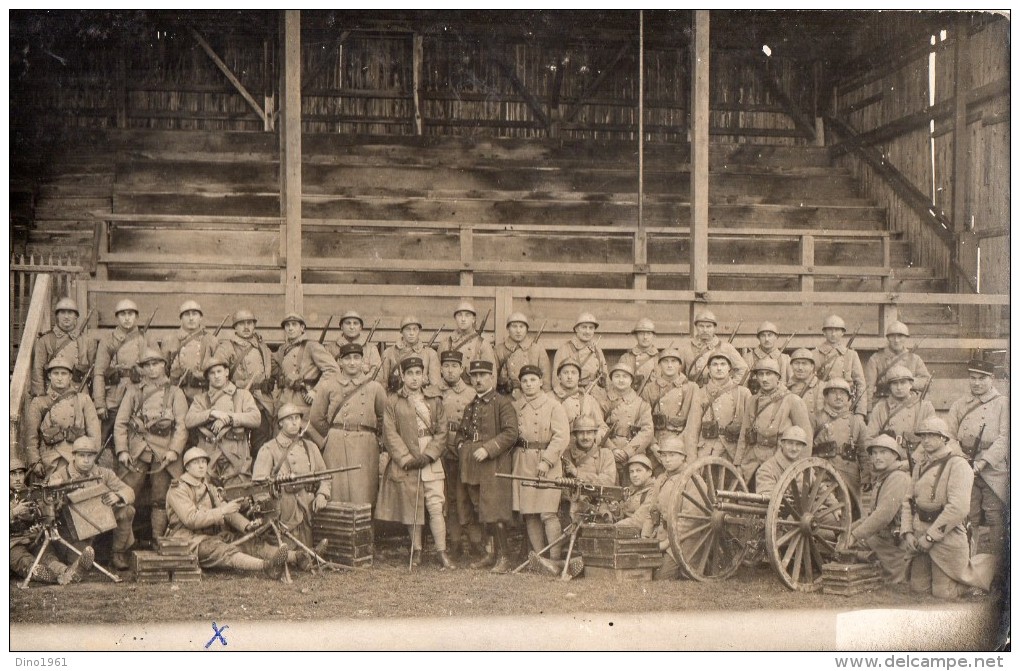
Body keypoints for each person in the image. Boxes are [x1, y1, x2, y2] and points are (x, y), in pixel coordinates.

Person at [901, 417, 996, 599]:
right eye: (923, 436)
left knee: (943, 592)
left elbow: (958, 508)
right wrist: (908, 533)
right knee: (918, 589)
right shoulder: (920, 465)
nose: (926, 440)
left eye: (932, 436)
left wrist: (931, 537)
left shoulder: (958, 465)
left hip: (947, 537)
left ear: (944, 438)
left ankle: (989, 569)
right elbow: (907, 501)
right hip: (919, 534)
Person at [376, 356, 453, 569]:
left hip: (430, 458)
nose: (414, 378)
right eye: (409, 373)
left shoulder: (434, 399)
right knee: (412, 507)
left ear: (424, 375)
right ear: (402, 375)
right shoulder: (393, 401)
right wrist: (406, 459)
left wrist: (428, 455)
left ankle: (441, 552)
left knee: (435, 505)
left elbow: (442, 431)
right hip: (407, 461)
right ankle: (417, 550)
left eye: (418, 373)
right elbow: (389, 433)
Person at [166, 447, 289, 579]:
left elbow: (228, 511)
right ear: (187, 467)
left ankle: (296, 557)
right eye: (196, 463)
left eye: (203, 462)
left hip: (209, 536)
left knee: (249, 543)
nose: (201, 466)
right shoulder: (178, 489)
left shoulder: (209, 487)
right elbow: (191, 519)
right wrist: (223, 510)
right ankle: (267, 567)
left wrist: (247, 525)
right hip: (186, 540)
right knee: (221, 550)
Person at [114, 347, 187, 540]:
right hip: (137, 450)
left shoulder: (175, 393)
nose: (152, 369)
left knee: (161, 499)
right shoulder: (133, 392)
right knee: (124, 496)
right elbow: (121, 422)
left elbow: (181, 426)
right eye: (147, 365)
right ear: (142, 369)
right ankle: (120, 549)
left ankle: (159, 541)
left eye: (156, 364)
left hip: (163, 453)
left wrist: (174, 451)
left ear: (164, 365)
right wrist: (122, 450)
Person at [456, 360, 519, 573]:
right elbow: (461, 433)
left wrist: (489, 448)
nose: (478, 379)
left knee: (496, 511)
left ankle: (504, 557)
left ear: (491, 377)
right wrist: (462, 446)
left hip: (495, 465)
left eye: (483, 375)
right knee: (481, 511)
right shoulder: (471, 405)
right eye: (474, 376)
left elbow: (511, 433)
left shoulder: (502, 403)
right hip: (473, 466)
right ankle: (490, 554)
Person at [309, 343, 387, 507]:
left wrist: (374, 438)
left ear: (363, 361)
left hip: (365, 446)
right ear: (340, 362)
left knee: (364, 495)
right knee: (337, 492)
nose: (352, 362)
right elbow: (316, 417)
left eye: (356, 358)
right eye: (348, 358)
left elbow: (384, 418)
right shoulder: (328, 385)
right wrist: (334, 433)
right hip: (337, 445)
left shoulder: (374, 387)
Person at [945, 359, 1008, 555]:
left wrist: (983, 462)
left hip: (993, 470)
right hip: (965, 466)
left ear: (993, 379)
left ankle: (998, 569)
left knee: (995, 517)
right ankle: (968, 563)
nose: (977, 383)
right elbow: (949, 436)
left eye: (982, 378)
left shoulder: (1004, 404)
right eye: (973, 378)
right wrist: (961, 457)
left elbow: (1006, 437)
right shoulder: (959, 405)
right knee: (967, 515)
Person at [253, 403, 332, 553]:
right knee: (284, 547)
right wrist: (271, 513)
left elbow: (325, 475)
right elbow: (259, 487)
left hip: (308, 508)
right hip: (283, 511)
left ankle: (306, 554)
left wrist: (322, 494)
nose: (295, 422)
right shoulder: (268, 449)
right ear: (280, 423)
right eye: (289, 419)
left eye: (297, 418)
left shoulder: (311, 447)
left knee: (308, 544)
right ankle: (296, 556)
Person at [48, 437, 136, 570]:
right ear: (74, 456)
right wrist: (55, 491)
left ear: (95, 456)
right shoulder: (61, 474)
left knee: (127, 510)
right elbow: (49, 498)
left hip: (99, 519)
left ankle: (118, 553)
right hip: (76, 529)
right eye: (81, 455)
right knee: (80, 564)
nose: (86, 460)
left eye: (90, 456)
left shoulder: (104, 473)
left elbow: (129, 491)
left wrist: (118, 495)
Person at [511, 365, 570, 561]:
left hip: (547, 462)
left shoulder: (553, 405)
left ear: (541, 382)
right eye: (525, 380)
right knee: (530, 513)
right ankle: (540, 557)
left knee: (547, 513)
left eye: (533, 380)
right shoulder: (516, 406)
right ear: (521, 383)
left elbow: (561, 437)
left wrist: (546, 461)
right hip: (523, 460)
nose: (529, 384)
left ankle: (554, 557)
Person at [836, 434, 910, 584]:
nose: (877, 457)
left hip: (893, 543)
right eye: (874, 453)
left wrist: (854, 536)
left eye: (883, 452)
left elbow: (882, 516)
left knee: (851, 548)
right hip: (883, 538)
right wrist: (849, 530)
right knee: (845, 542)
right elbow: (871, 515)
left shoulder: (898, 478)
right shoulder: (883, 477)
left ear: (895, 455)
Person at [10, 457, 95, 585]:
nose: (17, 478)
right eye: (12, 474)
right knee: (22, 559)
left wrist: (37, 522)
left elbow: (40, 515)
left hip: (33, 539)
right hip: (12, 544)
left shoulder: (30, 493)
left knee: (47, 556)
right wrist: (13, 512)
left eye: (20, 473)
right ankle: (40, 573)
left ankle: (69, 572)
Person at [93, 299, 158, 455]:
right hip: (116, 395)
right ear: (117, 317)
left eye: (130, 314)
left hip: (141, 393)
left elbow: (158, 367)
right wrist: (100, 404)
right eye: (123, 314)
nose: (127, 318)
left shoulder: (147, 339)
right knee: (108, 439)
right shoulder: (108, 340)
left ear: (136, 317)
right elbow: (99, 373)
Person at [184, 357, 260, 489]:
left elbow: (255, 418)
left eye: (219, 371)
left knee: (238, 501)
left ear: (226, 373)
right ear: (208, 377)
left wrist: (229, 418)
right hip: (209, 460)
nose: (216, 376)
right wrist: (211, 413)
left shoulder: (242, 396)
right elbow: (189, 420)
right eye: (212, 373)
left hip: (236, 458)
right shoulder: (201, 399)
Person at [735, 358, 812, 483]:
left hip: (780, 462)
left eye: (769, 374)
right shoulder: (752, 401)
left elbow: (806, 438)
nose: (764, 379)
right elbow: (744, 434)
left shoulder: (792, 400)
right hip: (752, 461)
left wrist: (801, 469)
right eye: (761, 374)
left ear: (778, 377)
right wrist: (738, 463)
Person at [436, 350, 481, 560]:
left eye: (455, 366)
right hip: (443, 448)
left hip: (466, 449)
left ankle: (475, 542)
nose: (450, 370)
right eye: (446, 366)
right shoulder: (435, 392)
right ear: (441, 369)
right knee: (449, 497)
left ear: (462, 369)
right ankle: (453, 542)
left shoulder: (472, 393)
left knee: (468, 495)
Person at [25, 356, 101, 478]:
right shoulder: (39, 402)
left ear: (70, 376)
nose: (60, 378)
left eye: (64, 374)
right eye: (56, 373)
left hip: (79, 457)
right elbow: (31, 436)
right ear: (49, 376)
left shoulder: (83, 399)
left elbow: (94, 434)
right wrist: (34, 461)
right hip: (51, 458)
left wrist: (91, 458)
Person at [214, 308, 274, 456]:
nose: (246, 327)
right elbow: (216, 373)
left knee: (262, 442)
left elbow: (275, 367)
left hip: (262, 403)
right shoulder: (226, 347)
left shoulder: (263, 347)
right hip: (237, 402)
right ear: (235, 327)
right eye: (242, 324)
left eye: (250, 323)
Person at [272, 313, 340, 421]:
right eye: (287, 325)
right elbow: (272, 363)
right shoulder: (282, 349)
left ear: (302, 328)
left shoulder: (312, 346)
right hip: (285, 398)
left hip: (304, 399)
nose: (290, 328)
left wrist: (316, 391)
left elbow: (333, 370)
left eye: (294, 324)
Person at [811, 378, 869, 502]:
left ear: (849, 398)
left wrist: (866, 476)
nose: (838, 397)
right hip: (822, 474)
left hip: (849, 476)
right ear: (826, 397)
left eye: (843, 393)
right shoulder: (816, 419)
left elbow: (864, 452)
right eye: (833, 393)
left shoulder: (857, 422)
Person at [642, 434, 689, 580]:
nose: (667, 460)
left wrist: (666, 544)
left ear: (683, 457)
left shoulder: (692, 479)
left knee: (660, 576)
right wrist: (645, 537)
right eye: (664, 455)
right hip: (661, 536)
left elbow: (690, 522)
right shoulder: (661, 479)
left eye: (672, 455)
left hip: (684, 541)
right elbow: (652, 511)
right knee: (642, 570)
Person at [600, 362, 654, 487]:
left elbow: (647, 431)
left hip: (633, 451)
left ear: (631, 380)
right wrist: (612, 449)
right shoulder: (603, 401)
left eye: (625, 376)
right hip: (608, 450)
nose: (621, 380)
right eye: (617, 376)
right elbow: (598, 425)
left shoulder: (641, 404)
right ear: (611, 379)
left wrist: (627, 452)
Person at [644, 348, 701, 467]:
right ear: (659, 365)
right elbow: (645, 422)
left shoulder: (691, 388)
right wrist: (653, 446)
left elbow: (693, 424)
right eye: (665, 361)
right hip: (657, 442)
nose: (670, 365)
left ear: (680, 365)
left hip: (681, 443)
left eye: (674, 361)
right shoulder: (649, 388)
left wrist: (677, 445)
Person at [693, 352, 751, 462]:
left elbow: (748, 427)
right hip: (707, 452)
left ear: (729, 368)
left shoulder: (743, 393)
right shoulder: (699, 394)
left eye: (723, 364)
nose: (719, 368)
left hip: (734, 452)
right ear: (708, 369)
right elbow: (693, 429)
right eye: (714, 364)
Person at [864, 321, 931, 413]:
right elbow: (868, 387)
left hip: (908, 405)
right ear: (888, 338)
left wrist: (907, 382)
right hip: (883, 403)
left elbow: (927, 382)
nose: (896, 340)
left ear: (906, 338)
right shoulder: (876, 359)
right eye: (892, 336)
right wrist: (869, 410)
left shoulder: (915, 359)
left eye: (900, 336)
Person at [31, 297, 92, 397]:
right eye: (63, 312)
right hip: (53, 393)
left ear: (76, 316)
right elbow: (37, 369)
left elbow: (93, 369)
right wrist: (40, 396)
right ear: (57, 316)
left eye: (70, 313)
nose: (66, 316)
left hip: (79, 390)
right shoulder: (46, 340)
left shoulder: (86, 340)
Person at [162, 300, 220, 403]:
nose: (191, 318)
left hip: (204, 393)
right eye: (187, 315)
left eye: (195, 314)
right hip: (176, 393)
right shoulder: (170, 339)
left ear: (201, 318)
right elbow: (163, 370)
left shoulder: (210, 340)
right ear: (181, 318)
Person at [866, 365, 935, 448]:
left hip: (916, 458)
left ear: (911, 384)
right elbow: (870, 439)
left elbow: (932, 439)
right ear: (890, 386)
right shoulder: (880, 408)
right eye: (895, 383)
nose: (899, 387)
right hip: (888, 457)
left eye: (903, 382)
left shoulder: (925, 407)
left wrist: (914, 459)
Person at [812, 314, 867, 417]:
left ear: (843, 333)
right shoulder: (815, 354)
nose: (833, 334)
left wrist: (860, 412)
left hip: (846, 404)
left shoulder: (851, 355)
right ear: (824, 332)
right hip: (821, 403)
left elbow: (861, 384)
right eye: (830, 330)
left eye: (837, 330)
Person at [679, 310, 747, 387]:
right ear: (696, 327)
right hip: (692, 393)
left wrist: (731, 387)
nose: (705, 330)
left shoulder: (726, 347)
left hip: (717, 392)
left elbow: (743, 369)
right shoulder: (685, 348)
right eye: (701, 326)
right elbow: (678, 373)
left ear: (715, 328)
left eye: (708, 326)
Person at [552, 360, 608, 449]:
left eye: (573, 373)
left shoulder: (589, 399)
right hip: (559, 449)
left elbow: (602, 427)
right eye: (565, 373)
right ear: (559, 376)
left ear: (579, 376)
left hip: (585, 450)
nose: (569, 377)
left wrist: (593, 437)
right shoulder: (549, 398)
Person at [379, 315, 442, 392]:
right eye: (408, 329)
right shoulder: (389, 353)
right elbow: (383, 384)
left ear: (419, 331)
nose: (411, 333)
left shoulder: (430, 354)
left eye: (415, 329)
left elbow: (435, 386)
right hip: (396, 398)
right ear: (401, 332)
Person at [494, 312, 550, 398]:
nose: (518, 331)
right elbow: (493, 377)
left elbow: (545, 380)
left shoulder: (537, 349)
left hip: (533, 397)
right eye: (514, 326)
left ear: (527, 329)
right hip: (506, 397)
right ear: (508, 328)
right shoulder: (499, 350)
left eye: (521, 326)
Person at [440, 301, 496, 381]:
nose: (463, 319)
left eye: (467, 315)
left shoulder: (483, 344)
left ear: (473, 319)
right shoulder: (445, 343)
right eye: (459, 315)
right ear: (455, 318)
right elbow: (439, 373)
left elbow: (491, 378)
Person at [552, 312, 607, 393]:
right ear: (576, 329)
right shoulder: (565, 349)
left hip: (596, 394)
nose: (587, 331)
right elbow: (556, 379)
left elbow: (605, 377)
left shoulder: (597, 350)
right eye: (584, 327)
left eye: (591, 328)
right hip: (573, 394)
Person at [562, 415, 617, 487]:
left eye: (589, 433)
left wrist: (577, 473)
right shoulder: (566, 455)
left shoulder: (606, 455)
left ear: (595, 434)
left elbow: (608, 481)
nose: (585, 437)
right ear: (575, 435)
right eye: (581, 433)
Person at [754, 426, 809, 497]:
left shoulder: (806, 467)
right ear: (782, 443)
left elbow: (820, 488)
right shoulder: (767, 469)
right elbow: (768, 499)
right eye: (790, 443)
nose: (794, 448)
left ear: (803, 447)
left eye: (798, 444)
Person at [325, 310, 382, 376]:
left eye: (355, 323)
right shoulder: (329, 348)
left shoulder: (371, 349)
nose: (352, 327)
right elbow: (326, 373)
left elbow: (378, 374)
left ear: (360, 327)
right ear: (341, 327)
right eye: (348, 323)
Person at [743, 321, 790, 394]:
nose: (766, 339)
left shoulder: (785, 359)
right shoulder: (748, 358)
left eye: (770, 335)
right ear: (758, 338)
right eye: (763, 335)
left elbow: (792, 384)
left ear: (776, 337)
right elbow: (743, 388)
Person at [614, 454, 655, 530]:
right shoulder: (630, 490)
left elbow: (638, 521)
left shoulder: (653, 491)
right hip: (625, 529)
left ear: (649, 472)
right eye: (631, 472)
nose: (634, 475)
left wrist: (611, 527)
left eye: (638, 470)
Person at [619, 318, 660, 390]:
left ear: (654, 336)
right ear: (635, 336)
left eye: (649, 333)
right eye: (641, 333)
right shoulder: (626, 358)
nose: (645, 337)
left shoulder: (660, 359)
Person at [786, 348, 825, 415]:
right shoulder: (785, 388)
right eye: (797, 363)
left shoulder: (822, 387)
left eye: (804, 364)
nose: (800, 368)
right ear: (791, 366)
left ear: (812, 366)